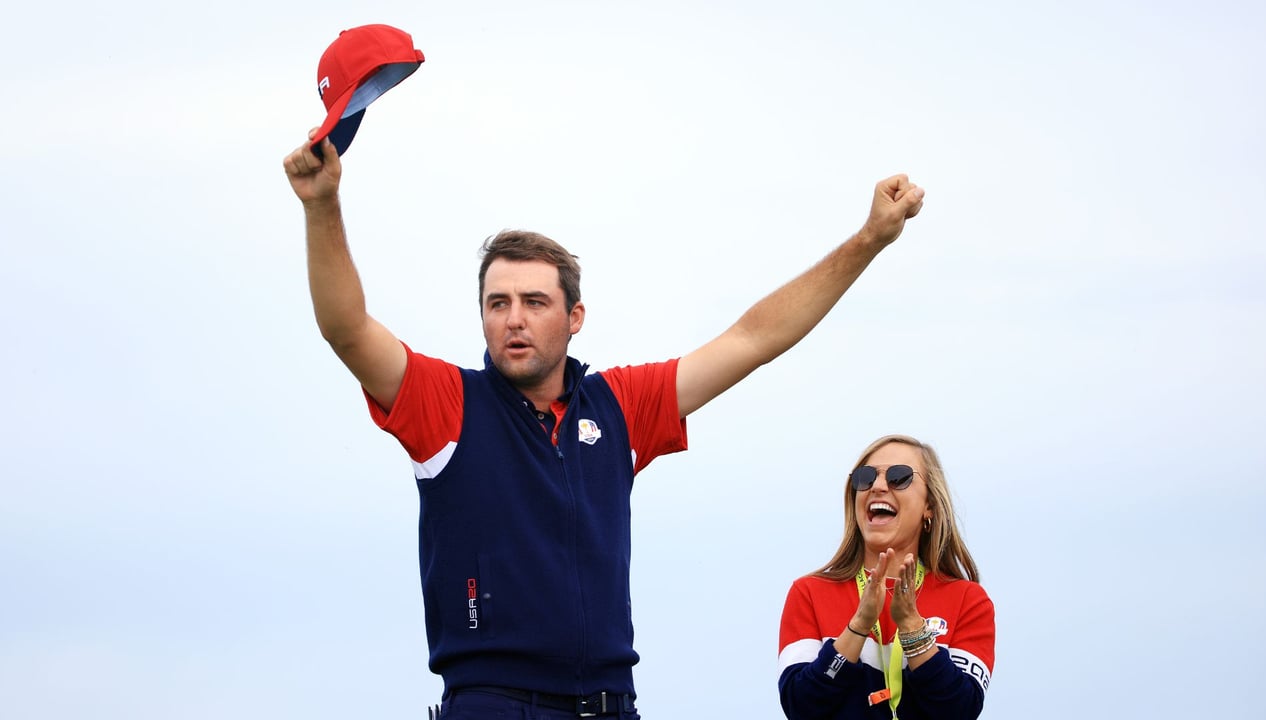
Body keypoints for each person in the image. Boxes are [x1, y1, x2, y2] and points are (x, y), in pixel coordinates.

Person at [282, 129, 925, 719]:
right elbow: (347, 330)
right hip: (491, 702)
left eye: (535, 302)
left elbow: (753, 338)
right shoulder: (447, 402)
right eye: (497, 303)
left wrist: (868, 238)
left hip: (613, 704)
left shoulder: (617, 406)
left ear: (574, 317)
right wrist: (321, 206)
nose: (514, 318)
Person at [777, 434, 995, 719]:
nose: (878, 486)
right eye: (865, 477)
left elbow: (960, 709)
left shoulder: (968, 600)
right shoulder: (809, 593)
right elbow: (800, 705)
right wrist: (858, 627)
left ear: (929, 505)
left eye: (899, 477)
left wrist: (914, 630)